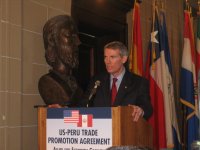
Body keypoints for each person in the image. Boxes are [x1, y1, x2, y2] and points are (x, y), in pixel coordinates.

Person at [83, 41, 153, 121]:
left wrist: (141, 110)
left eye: (112, 57)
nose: (107, 61)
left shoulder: (139, 82)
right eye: (105, 57)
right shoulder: (97, 80)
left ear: (124, 59)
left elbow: (147, 108)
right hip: (100, 130)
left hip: (126, 130)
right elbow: (84, 103)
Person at [38, 15, 83, 107]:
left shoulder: (75, 83)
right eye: (69, 36)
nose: (78, 42)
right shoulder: (47, 83)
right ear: (52, 40)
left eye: (76, 37)